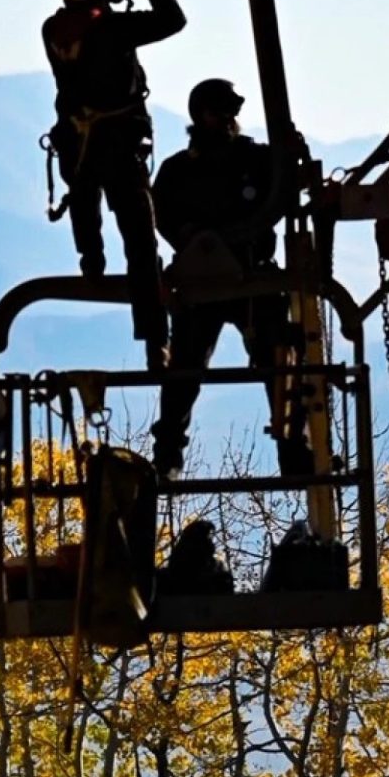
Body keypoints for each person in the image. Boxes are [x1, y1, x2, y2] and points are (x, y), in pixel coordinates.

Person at [150, 78, 307, 480]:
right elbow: (163, 219)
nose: (228, 118)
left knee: (279, 359)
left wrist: (294, 154)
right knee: (184, 371)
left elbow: (291, 184)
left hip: (252, 279)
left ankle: (295, 450)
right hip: (204, 283)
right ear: (200, 116)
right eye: (220, 111)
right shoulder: (177, 173)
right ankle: (167, 457)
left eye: (230, 111)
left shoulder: (257, 160)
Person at [43, 0, 185, 368]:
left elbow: (90, 21)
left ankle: (92, 262)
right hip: (117, 145)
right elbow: (171, 19)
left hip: (76, 143)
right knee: (141, 243)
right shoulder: (112, 30)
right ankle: (155, 340)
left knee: (85, 207)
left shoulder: (53, 28)